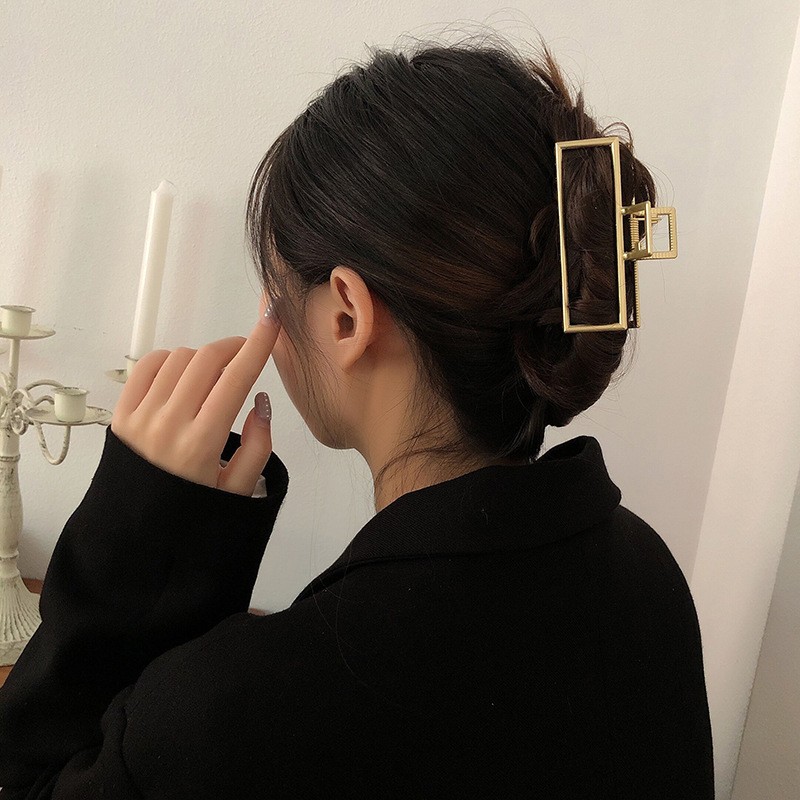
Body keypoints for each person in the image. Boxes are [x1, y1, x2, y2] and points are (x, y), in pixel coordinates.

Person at [0, 29, 714, 799]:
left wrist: (137, 539)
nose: (268, 325)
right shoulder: (646, 577)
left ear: (346, 314)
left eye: (276, 291)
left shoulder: (250, 712)